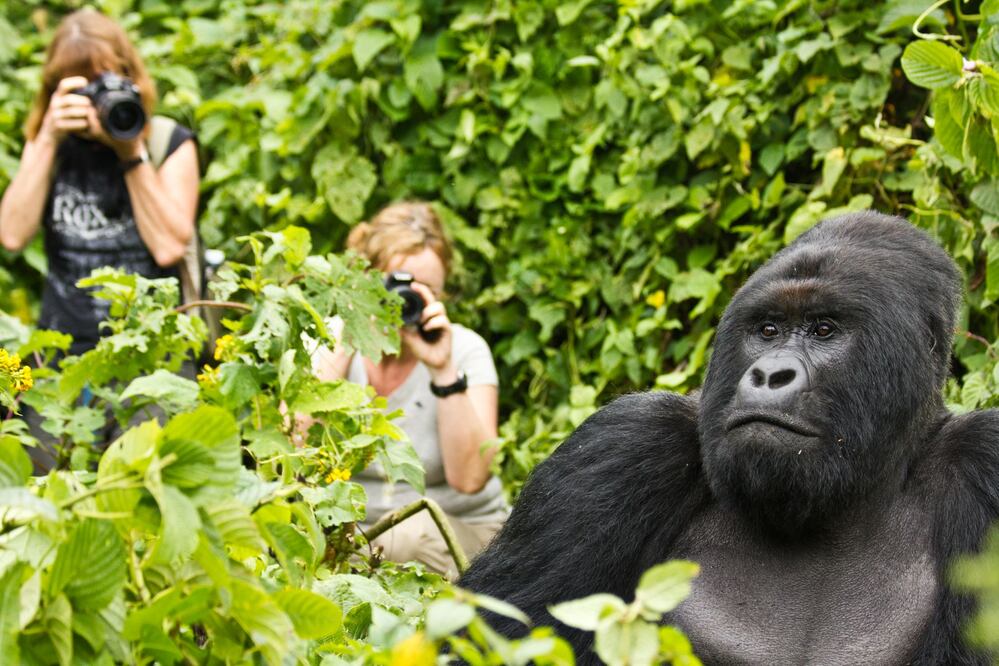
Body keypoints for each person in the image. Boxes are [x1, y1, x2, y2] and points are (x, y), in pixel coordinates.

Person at [312, 202, 507, 579]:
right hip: (353, 532)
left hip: (458, 530)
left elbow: (470, 480)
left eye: (425, 290)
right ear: (366, 281)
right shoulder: (327, 340)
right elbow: (292, 447)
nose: (405, 303)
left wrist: (442, 369)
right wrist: (352, 335)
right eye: (395, 286)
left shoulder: (465, 350)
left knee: (408, 538)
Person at [0, 8, 199, 356]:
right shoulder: (51, 145)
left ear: (130, 78)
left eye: (106, 84)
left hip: (153, 350)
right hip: (62, 348)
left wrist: (131, 152)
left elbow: (169, 247)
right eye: (84, 88)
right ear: (56, 89)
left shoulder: (167, 142)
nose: (97, 102)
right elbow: (12, 235)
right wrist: (46, 138)